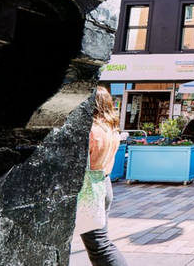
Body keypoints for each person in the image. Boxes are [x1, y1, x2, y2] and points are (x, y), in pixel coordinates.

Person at [81, 87, 129, 266]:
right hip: (104, 184)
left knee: (99, 245)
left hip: (88, 189)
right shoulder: (111, 130)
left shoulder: (90, 130)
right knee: (99, 242)